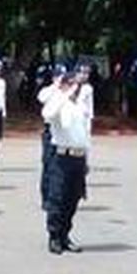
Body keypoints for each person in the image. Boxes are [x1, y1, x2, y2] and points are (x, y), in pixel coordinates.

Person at [42, 72, 89, 255]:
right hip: (62, 156)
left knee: (73, 198)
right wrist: (63, 95)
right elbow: (47, 114)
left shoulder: (80, 106)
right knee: (58, 198)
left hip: (78, 156)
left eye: (77, 85)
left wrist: (87, 158)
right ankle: (54, 236)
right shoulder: (57, 103)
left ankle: (65, 235)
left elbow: (85, 135)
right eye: (72, 85)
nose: (76, 89)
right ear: (64, 86)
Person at [37, 65, 66, 210]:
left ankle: (58, 196)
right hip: (50, 131)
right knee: (48, 164)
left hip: (64, 132)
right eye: (60, 76)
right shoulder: (49, 91)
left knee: (60, 166)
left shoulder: (68, 93)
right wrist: (56, 86)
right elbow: (41, 98)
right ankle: (46, 197)